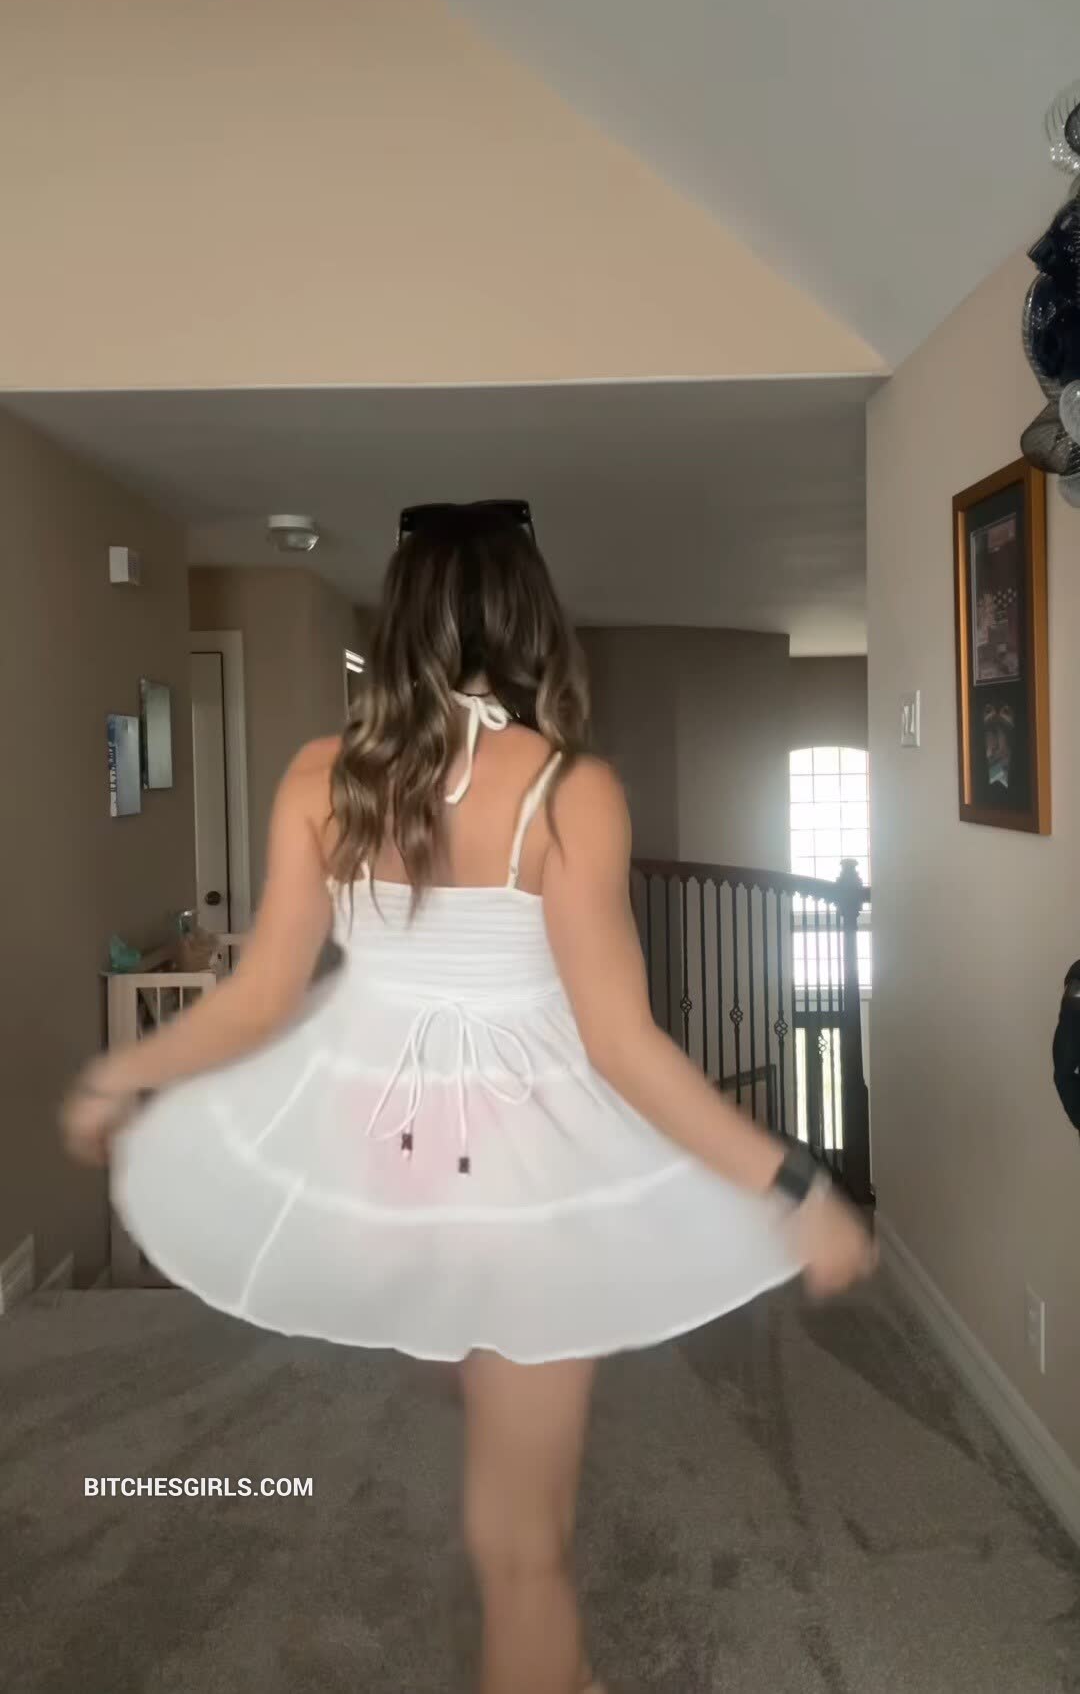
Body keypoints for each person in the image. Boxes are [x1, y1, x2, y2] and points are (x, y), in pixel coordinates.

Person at [61, 498, 877, 1694]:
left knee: (476, 1391)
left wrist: (121, 1067)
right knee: (522, 1545)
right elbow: (624, 1047)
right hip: (519, 1176)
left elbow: (259, 999)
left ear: (402, 621)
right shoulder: (568, 790)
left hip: (385, 1162)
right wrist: (796, 1181)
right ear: (529, 618)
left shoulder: (319, 777)